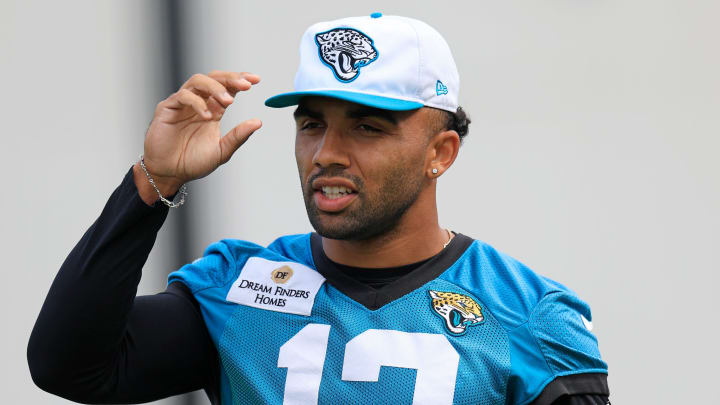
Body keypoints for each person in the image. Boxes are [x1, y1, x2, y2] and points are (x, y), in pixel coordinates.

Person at [28, 13, 609, 405]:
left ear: (441, 151)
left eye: (367, 127)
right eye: (312, 124)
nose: (327, 153)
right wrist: (153, 183)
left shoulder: (529, 314)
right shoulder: (238, 287)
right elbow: (68, 365)